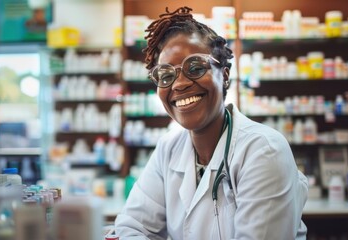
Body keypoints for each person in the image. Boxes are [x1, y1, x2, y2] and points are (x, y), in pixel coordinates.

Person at [115, 6, 308, 239]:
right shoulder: (168, 149)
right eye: (166, 75)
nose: (178, 84)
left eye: (195, 67)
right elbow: (131, 228)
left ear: (225, 75)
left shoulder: (264, 150)